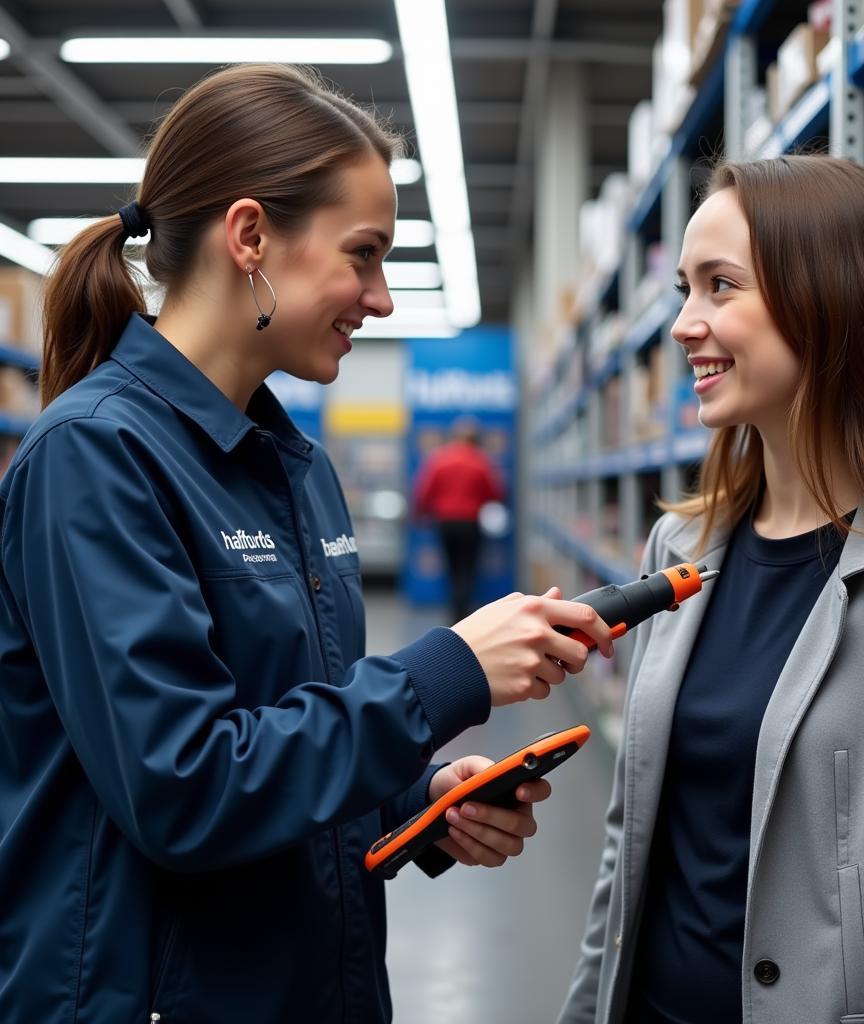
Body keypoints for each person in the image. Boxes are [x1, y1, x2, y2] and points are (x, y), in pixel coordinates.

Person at [0, 64, 615, 1024]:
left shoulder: (294, 463)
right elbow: (185, 787)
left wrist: (411, 800)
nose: (379, 299)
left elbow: (284, 726)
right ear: (250, 236)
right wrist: (442, 673)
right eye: (363, 255)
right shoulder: (95, 458)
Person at [559, 155, 864, 1024]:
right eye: (683, 292)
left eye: (720, 286)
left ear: (830, 297)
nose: (684, 325)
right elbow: (630, 851)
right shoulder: (681, 547)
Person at [413, 416, 506, 620]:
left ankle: (454, 613)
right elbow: (495, 492)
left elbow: (424, 491)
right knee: (467, 569)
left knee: (452, 568)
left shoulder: (439, 458)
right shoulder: (481, 460)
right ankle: (462, 615)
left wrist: (420, 515)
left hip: (444, 522)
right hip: (470, 523)